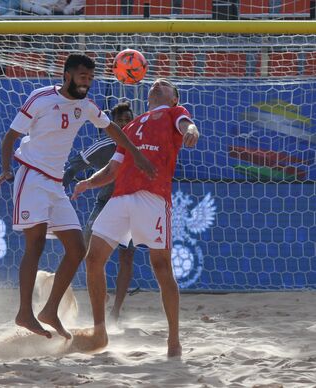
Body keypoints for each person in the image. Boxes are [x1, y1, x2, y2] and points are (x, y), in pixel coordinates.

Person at [0, 53, 156, 340]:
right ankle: (25, 313)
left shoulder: (86, 105)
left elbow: (112, 128)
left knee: (78, 249)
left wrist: (137, 155)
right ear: (67, 75)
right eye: (83, 76)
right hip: (31, 177)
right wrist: (6, 169)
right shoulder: (40, 98)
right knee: (36, 244)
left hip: (55, 184)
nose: (87, 82)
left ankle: (50, 310)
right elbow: (10, 137)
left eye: (91, 78)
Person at [71, 78, 200, 357]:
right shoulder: (131, 125)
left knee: (161, 266)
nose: (157, 84)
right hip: (119, 198)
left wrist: (192, 129)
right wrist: (88, 183)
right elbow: (112, 168)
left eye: (164, 84)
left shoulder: (174, 113)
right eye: (154, 83)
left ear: (174, 98)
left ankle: (173, 341)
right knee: (93, 259)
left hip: (152, 198)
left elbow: (186, 124)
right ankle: (99, 330)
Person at [62, 101, 136, 324]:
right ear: (110, 124)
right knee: (88, 251)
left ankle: (116, 310)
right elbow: (74, 165)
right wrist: (61, 185)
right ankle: (100, 294)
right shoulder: (103, 145)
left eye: (128, 119)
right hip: (105, 202)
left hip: (132, 205)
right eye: (119, 120)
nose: (124, 124)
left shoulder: (140, 143)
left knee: (127, 256)